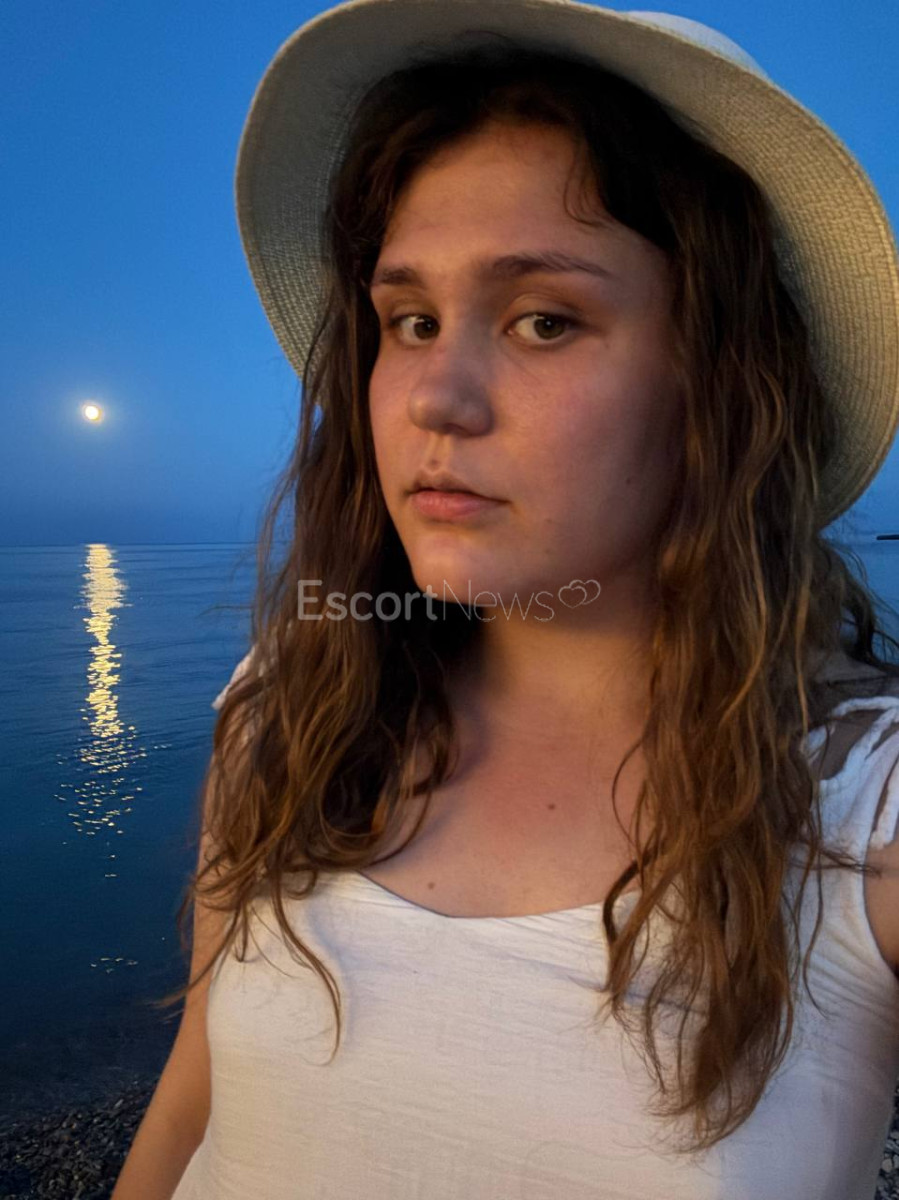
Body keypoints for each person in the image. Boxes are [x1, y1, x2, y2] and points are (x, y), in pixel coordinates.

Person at [112, 3, 899, 1198]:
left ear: (718, 384)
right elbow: (191, 1101)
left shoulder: (861, 814)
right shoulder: (288, 713)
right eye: (409, 321)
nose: (435, 396)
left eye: (542, 320)